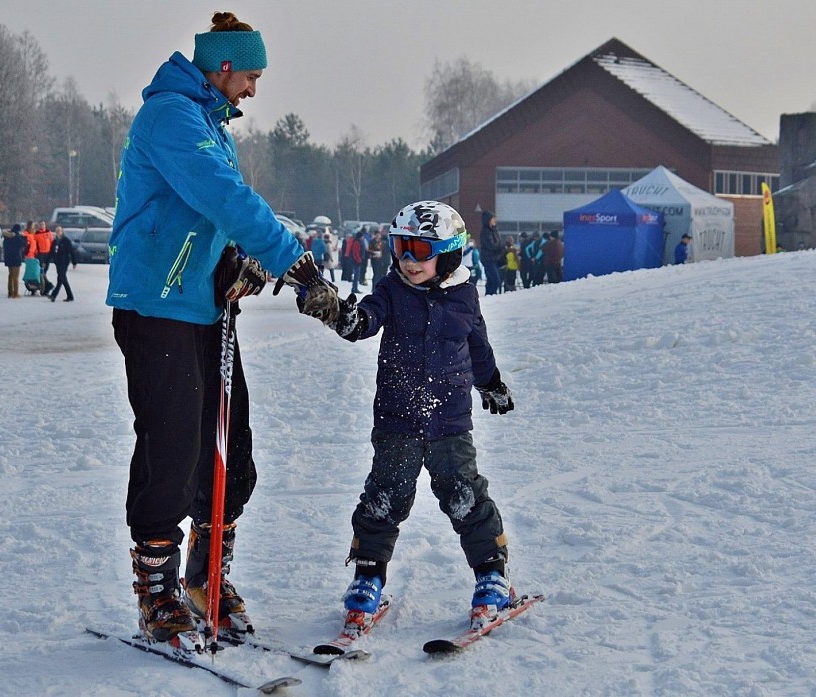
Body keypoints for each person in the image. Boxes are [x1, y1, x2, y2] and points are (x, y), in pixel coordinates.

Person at [106, 11, 339, 644]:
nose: (254, 93)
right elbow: (225, 199)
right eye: (252, 77)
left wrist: (241, 259)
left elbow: (215, 219)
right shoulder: (170, 118)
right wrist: (299, 265)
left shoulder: (208, 120)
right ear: (225, 66)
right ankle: (157, 592)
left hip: (205, 304)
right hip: (158, 305)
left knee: (230, 451)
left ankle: (206, 576)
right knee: (172, 448)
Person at [304, 200, 516, 637]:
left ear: (450, 253)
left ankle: (492, 576)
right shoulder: (391, 290)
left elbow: (478, 345)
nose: (407, 259)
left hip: (450, 424)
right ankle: (368, 579)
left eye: (420, 249)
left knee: (465, 498)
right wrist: (335, 310)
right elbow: (362, 322)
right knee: (383, 500)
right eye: (401, 247)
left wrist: (490, 382)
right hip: (398, 421)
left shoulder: (463, 295)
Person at [49, 226, 77, 302]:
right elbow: (51, 252)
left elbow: (71, 251)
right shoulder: (55, 241)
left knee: (60, 278)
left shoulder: (66, 241)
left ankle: (53, 295)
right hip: (57, 262)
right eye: (57, 231)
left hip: (64, 262)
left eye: (59, 231)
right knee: (63, 279)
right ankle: (70, 296)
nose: (58, 233)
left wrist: (74, 262)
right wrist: (46, 261)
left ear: (62, 232)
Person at [479, 211, 504, 295]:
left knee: (490, 280)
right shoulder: (486, 231)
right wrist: (500, 245)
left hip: (495, 258)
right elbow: (491, 245)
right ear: (488, 220)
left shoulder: (494, 230)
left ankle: (489, 295)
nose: (495, 220)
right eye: (493, 219)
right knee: (496, 280)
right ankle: (491, 294)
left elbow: (498, 243)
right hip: (488, 259)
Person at [3, 223, 27, 298]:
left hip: (8, 258)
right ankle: (15, 293)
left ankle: (10, 292)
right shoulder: (17, 237)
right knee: (16, 277)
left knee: (10, 276)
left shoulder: (7, 237)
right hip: (16, 258)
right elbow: (24, 243)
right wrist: (23, 236)